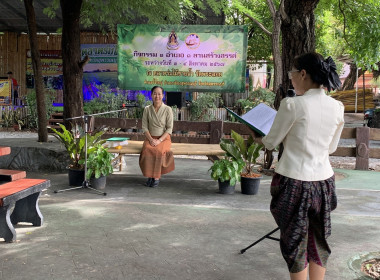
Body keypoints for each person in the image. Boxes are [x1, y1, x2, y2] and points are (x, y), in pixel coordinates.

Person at [259, 52, 344, 280]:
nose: (291, 79)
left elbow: (271, 141)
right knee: (319, 240)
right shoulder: (337, 107)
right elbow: (331, 148)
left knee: (295, 243)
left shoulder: (292, 105)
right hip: (324, 182)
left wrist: (259, 136)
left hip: (294, 182)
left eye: (292, 74)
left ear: (303, 74)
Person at [139, 86, 175, 187]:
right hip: (150, 137)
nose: (157, 96)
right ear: (151, 95)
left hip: (164, 138)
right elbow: (144, 127)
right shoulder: (147, 109)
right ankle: (149, 175)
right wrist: (151, 139)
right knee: (146, 149)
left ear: (163, 96)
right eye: (155, 93)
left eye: (159, 94)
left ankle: (156, 178)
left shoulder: (168, 109)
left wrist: (159, 140)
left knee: (158, 151)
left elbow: (169, 129)